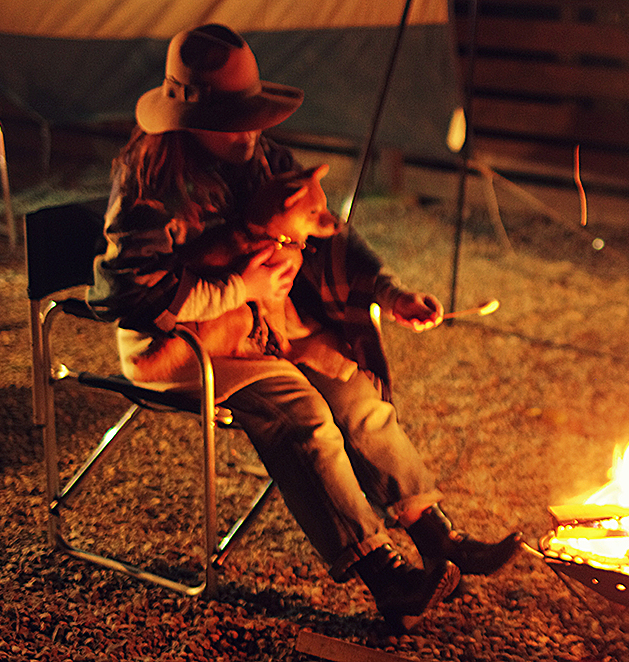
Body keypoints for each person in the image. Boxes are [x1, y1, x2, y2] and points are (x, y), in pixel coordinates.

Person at [86, 23, 521, 630]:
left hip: (264, 331)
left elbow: (322, 235)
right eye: (232, 117)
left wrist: (388, 293)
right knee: (303, 414)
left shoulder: (263, 159)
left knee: (353, 392)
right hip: (183, 347)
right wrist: (242, 287)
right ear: (189, 116)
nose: (249, 130)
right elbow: (130, 292)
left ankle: (436, 536)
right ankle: (385, 577)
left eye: (252, 114)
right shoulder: (150, 183)